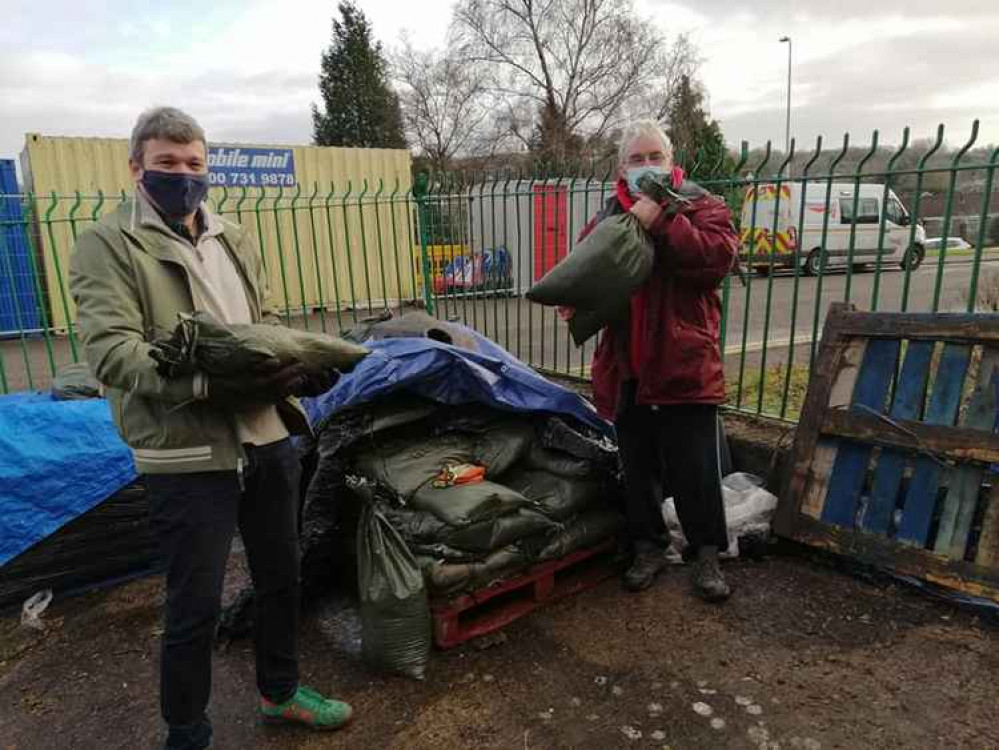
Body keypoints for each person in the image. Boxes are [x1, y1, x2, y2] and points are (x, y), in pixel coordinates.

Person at [69, 107, 352, 750]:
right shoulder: (108, 245)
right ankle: (187, 731)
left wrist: (294, 365)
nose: (183, 175)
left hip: (266, 434)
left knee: (282, 577)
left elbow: (267, 317)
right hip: (187, 450)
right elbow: (112, 352)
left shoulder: (234, 235)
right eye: (167, 163)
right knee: (193, 602)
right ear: (136, 167)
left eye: (194, 163)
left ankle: (280, 693)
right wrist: (204, 384)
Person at [571, 119, 738, 600]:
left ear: (671, 160)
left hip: (684, 361)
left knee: (696, 468)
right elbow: (582, 270)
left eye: (654, 157)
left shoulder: (702, 205)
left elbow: (714, 259)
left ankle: (707, 555)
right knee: (638, 466)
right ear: (622, 168)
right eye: (636, 159)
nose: (647, 166)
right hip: (629, 367)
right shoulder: (607, 217)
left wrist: (663, 220)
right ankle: (649, 547)